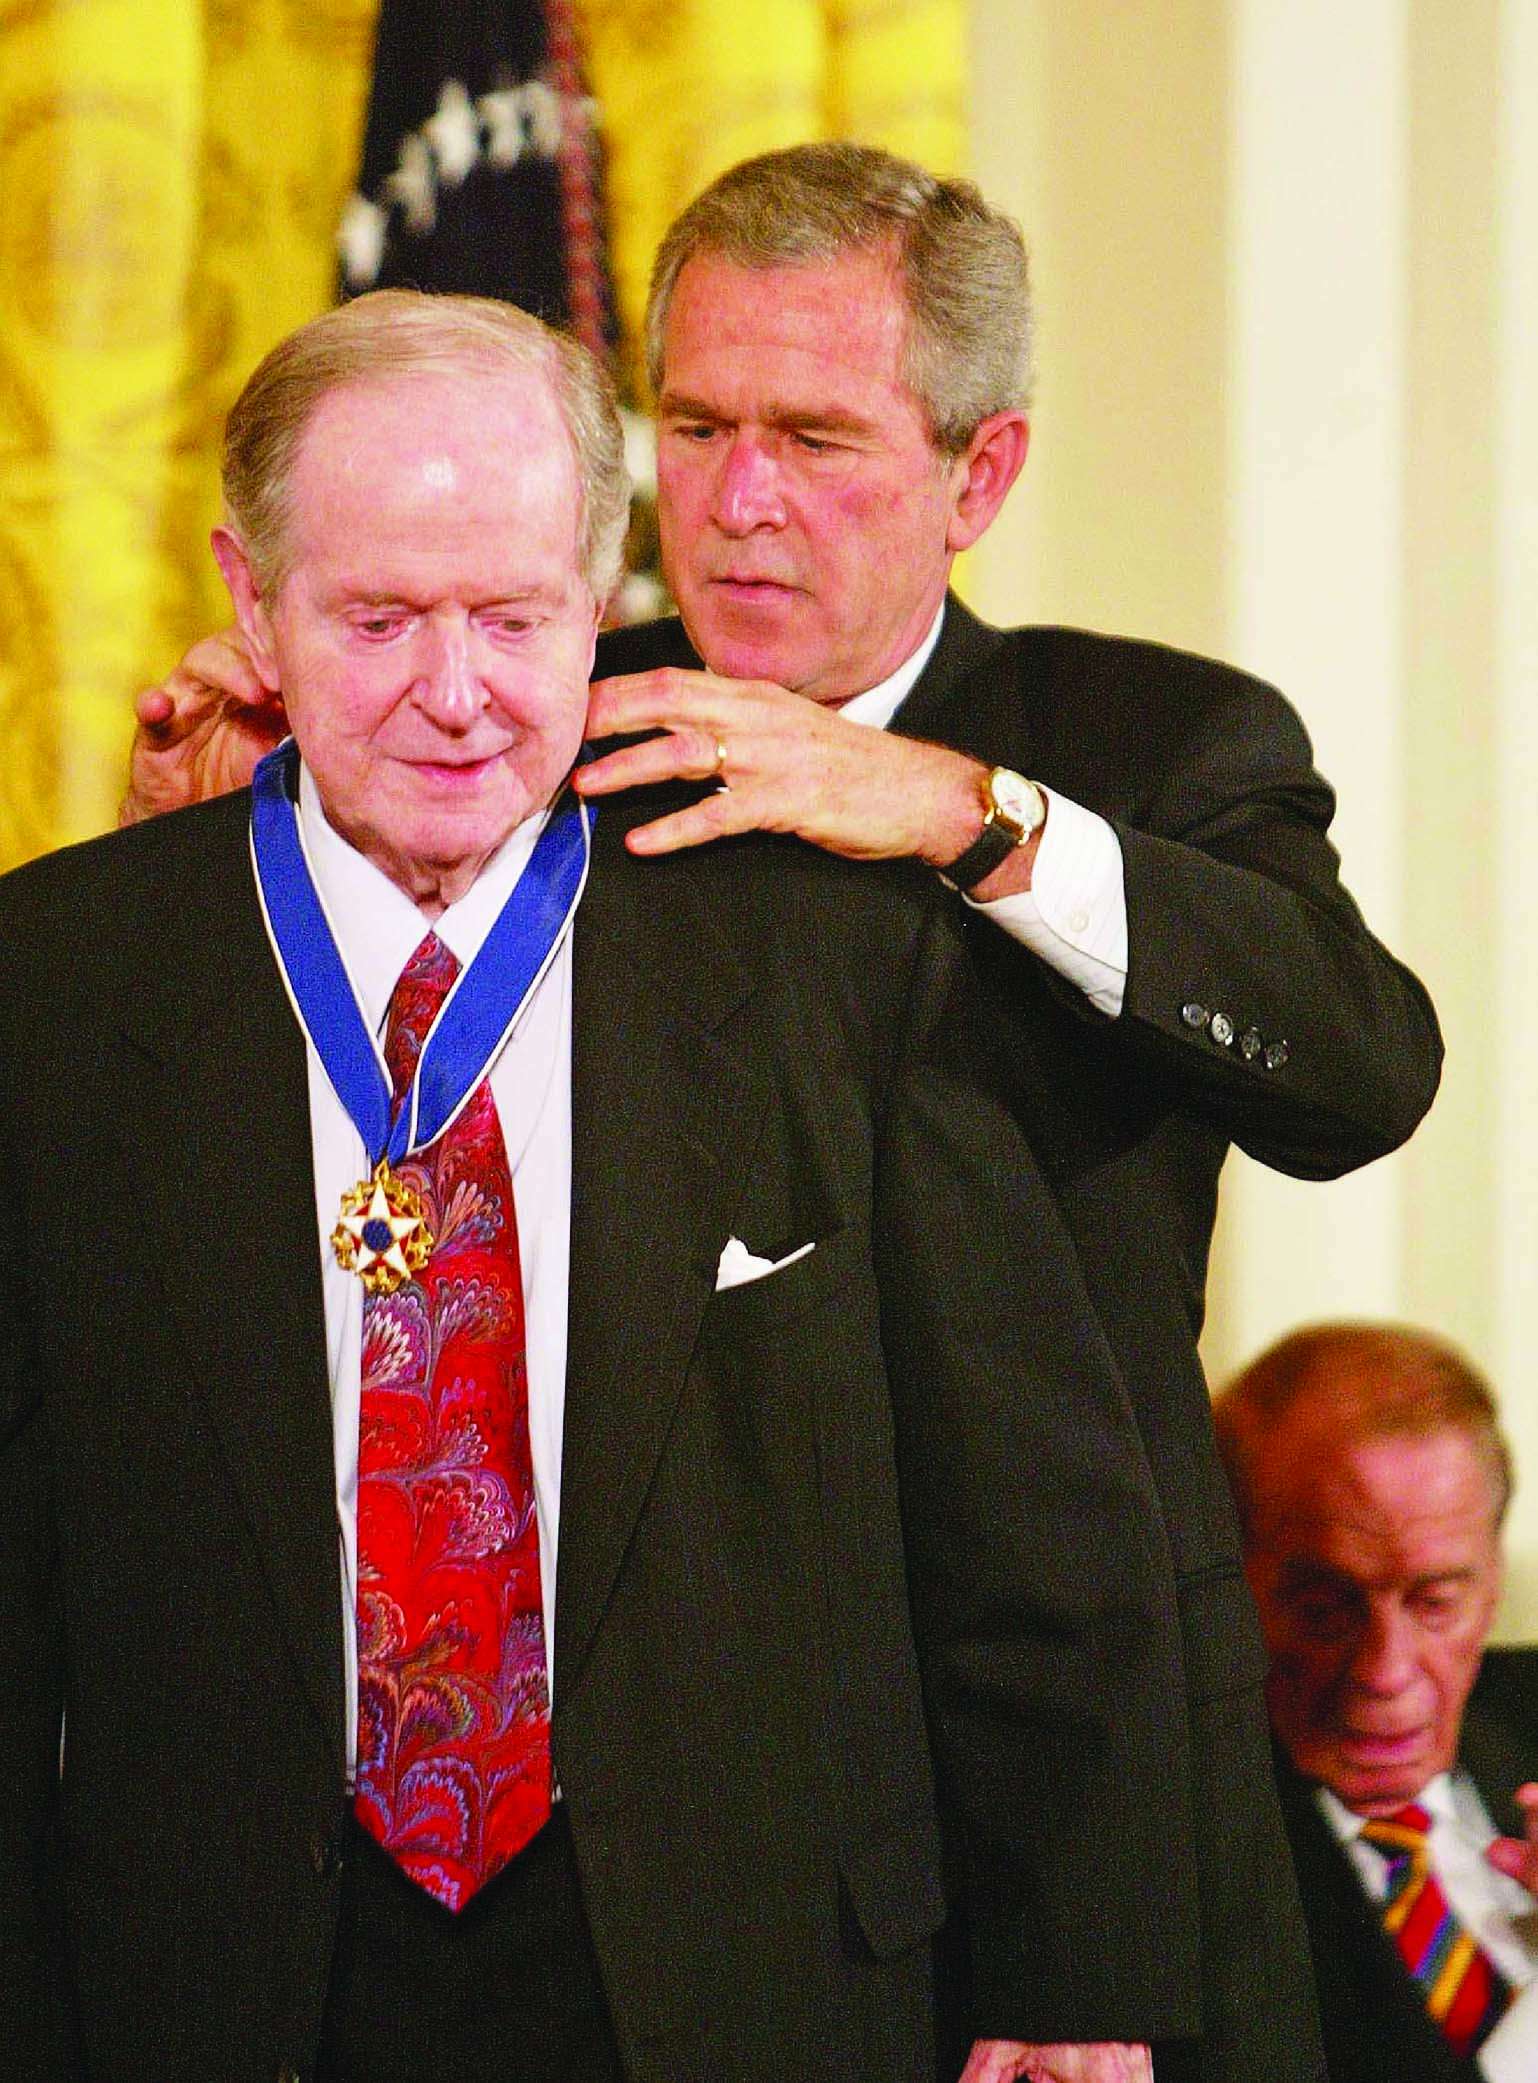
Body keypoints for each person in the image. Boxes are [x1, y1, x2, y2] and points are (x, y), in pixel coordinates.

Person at [122, 144, 1448, 2081]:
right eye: (695, 425)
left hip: (1083, 1757)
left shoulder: (1150, 743)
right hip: (688, 1787)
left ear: (976, 476)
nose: (736, 504)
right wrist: (231, 859)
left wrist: (951, 813)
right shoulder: (535, 708)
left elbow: (1362, 1066)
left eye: (817, 438)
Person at [0, 290, 1192, 2083]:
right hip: (220, 1969)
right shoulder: (59, 982)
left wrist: (1076, 1964)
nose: (457, 691)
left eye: (514, 614)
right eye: (380, 618)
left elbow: (1024, 1500)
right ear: (252, 598)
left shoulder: (828, 947)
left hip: (744, 1959)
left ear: (603, 583)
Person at [1214, 1323, 1538, 2083]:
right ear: (1229, 1584)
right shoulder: (1172, 1861)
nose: (1385, 1672)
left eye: (1435, 1601)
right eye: (1326, 1608)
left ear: (1493, 1575)